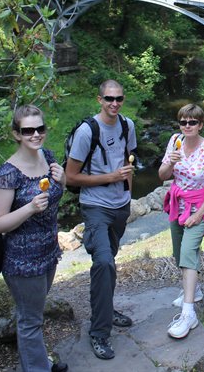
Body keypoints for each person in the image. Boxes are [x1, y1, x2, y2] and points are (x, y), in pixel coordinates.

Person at [0, 105, 68, 372]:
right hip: (23, 261)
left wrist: (64, 180)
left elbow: (56, 199)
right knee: (30, 320)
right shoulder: (7, 174)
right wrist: (30, 208)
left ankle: (36, 362)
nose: (36, 134)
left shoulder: (48, 157)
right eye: (28, 130)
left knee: (32, 316)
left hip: (49, 252)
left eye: (40, 128)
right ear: (16, 134)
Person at [64, 80, 136, 360]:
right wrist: (110, 178)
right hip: (95, 206)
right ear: (99, 99)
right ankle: (99, 333)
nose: (114, 104)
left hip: (120, 206)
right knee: (103, 262)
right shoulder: (87, 132)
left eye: (119, 98)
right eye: (109, 99)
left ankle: (105, 310)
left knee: (108, 265)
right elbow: (71, 176)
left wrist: (127, 191)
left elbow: (130, 157)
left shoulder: (127, 125)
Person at [158, 104, 204, 339]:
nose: (187, 126)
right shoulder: (175, 141)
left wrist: (198, 215)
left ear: (201, 124)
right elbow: (162, 176)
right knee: (179, 255)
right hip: (178, 205)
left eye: (192, 122)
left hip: (200, 207)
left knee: (188, 253)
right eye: (183, 122)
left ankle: (189, 314)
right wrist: (171, 162)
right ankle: (193, 290)